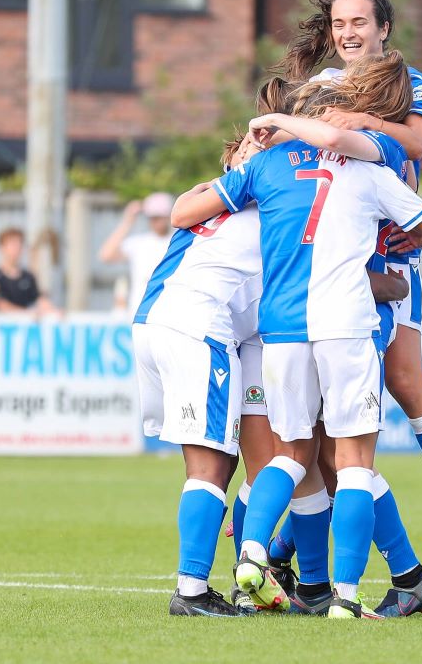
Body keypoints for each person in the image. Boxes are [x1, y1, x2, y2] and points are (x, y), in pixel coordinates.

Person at [173, 52, 422, 620]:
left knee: (292, 454)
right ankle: (345, 599)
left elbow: (186, 213)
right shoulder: (374, 169)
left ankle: (252, 558)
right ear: (342, 118)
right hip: (346, 323)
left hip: (279, 329)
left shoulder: (266, 167)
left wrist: (260, 141)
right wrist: (407, 231)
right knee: (353, 461)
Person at [279, 0, 422, 570]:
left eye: (359, 21)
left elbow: (419, 143)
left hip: (392, 256)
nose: (348, 31)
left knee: (401, 381)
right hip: (331, 261)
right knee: (321, 420)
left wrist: (360, 118)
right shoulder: (317, 90)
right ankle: (288, 548)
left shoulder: (407, 80)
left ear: (383, 28)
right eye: (339, 22)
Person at [133, 135, 266, 617]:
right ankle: (191, 590)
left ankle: (212, 580)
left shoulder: (206, 202)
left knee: (220, 458)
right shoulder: (266, 207)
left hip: (152, 320)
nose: (257, 152)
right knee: (210, 464)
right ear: (232, 163)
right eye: (248, 148)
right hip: (197, 329)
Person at [99, 192, 175, 315]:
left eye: (159, 217)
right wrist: (128, 221)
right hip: (139, 312)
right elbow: (106, 255)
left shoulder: (177, 241)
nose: (155, 222)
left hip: (170, 312)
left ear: (168, 216)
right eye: (152, 217)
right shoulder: (139, 243)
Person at [0, 227, 58, 316]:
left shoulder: (28, 277)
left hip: (25, 327)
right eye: (12, 244)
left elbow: (40, 300)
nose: (16, 248)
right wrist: (26, 314)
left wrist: (53, 312)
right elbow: (1, 305)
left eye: (19, 244)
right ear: (2, 247)